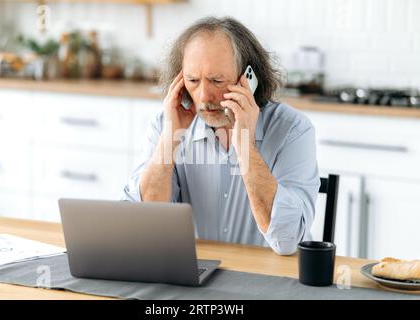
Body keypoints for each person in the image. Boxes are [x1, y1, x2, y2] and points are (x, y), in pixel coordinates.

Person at [121, 16, 320, 255]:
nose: (204, 96)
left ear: (248, 79)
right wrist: (170, 139)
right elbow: (145, 226)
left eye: (216, 81)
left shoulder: (292, 129)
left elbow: (287, 241)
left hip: (267, 280)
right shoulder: (167, 125)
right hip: (193, 275)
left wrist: (244, 143)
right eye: (193, 80)